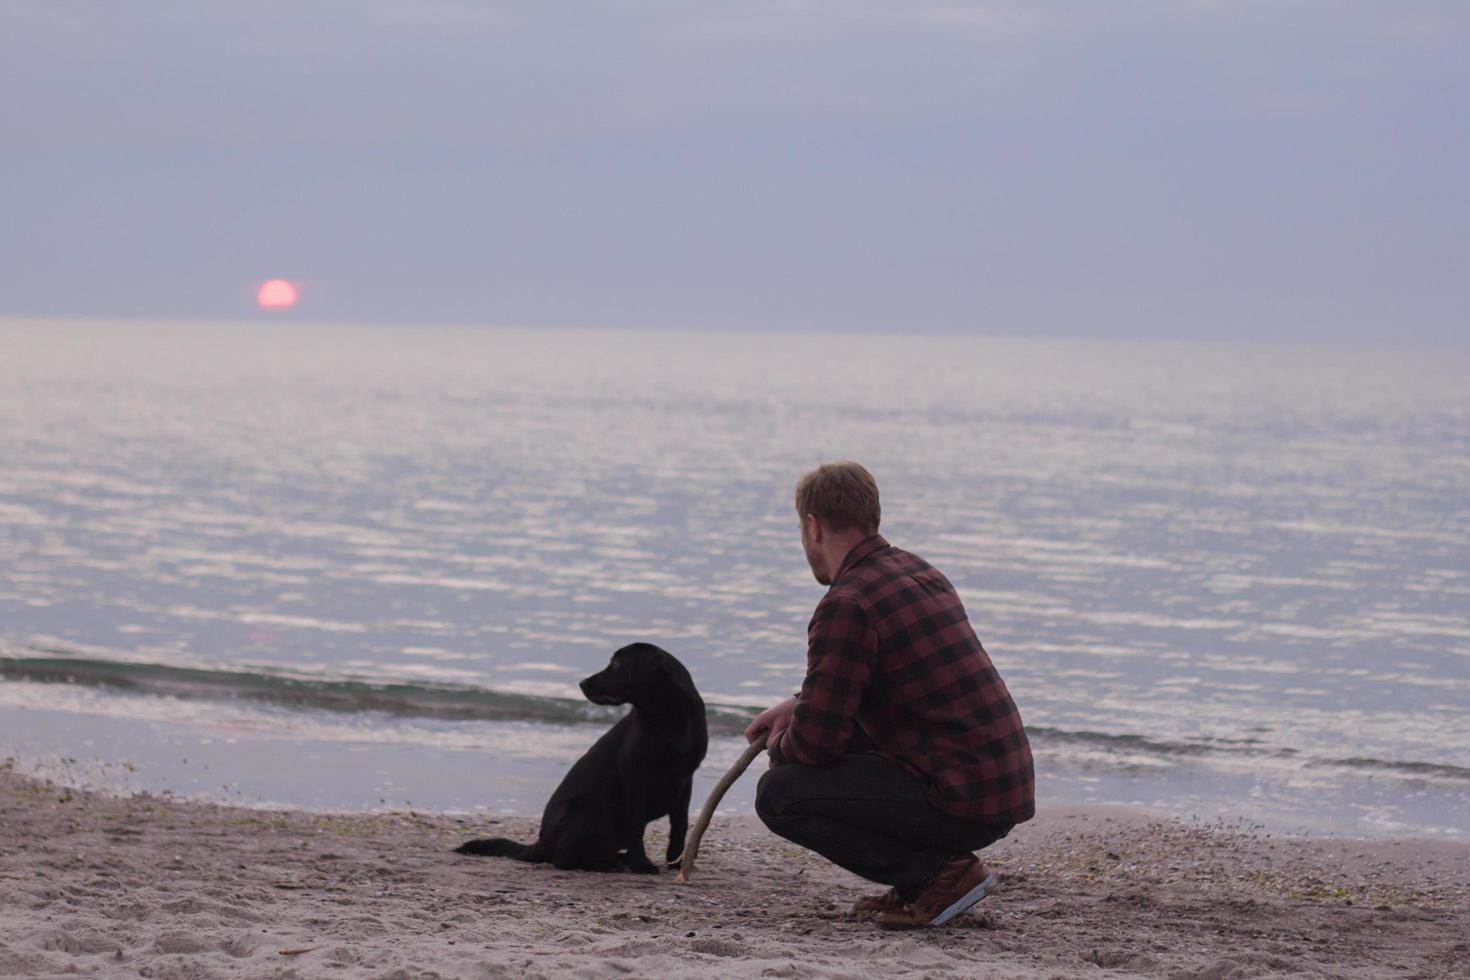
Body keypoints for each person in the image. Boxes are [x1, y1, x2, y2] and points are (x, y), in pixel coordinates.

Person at [744, 461, 1034, 930]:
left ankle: (941, 875)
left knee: (781, 792)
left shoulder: (846, 603)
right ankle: (922, 881)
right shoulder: (915, 570)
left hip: (961, 797)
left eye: (801, 528)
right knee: (827, 750)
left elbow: (816, 743)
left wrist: (781, 746)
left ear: (813, 527)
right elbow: (879, 681)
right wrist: (800, 704)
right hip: (997, 784)